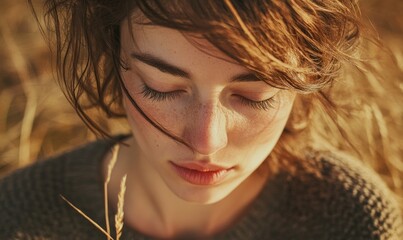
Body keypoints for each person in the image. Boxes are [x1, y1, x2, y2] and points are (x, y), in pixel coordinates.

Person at [1, 0, 402, 239]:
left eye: (253, 96)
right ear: (111, 56)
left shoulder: (352, 220)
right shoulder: (18, 216)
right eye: (162, 87)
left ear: (307, 80)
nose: (206, 142)